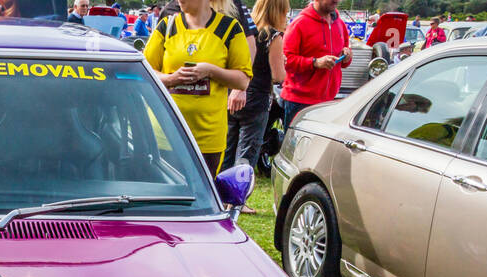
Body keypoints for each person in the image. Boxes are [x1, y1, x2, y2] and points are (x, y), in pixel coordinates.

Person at [145, 0, 251, 177]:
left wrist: (210, 71)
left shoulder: (229, 28)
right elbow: (146, 72)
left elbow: (242, 80)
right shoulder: (167, 26)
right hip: (165, 134)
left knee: (202, 198)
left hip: (208, 136)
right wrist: (171, 79)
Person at [223, 0, 286, 204]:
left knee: (227, 148)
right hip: (257, 98)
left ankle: (220, 195)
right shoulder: (273, 36)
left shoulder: (246, 32)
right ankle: (238, 200)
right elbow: (278, 76)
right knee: (247, 152)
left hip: (233, 93)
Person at [280, 0, 349, 128]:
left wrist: (347, 56)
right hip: (300, 102)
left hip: (329, 102)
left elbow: (344, 63)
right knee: (296, 147)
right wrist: (314, 62)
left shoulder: (340, 24)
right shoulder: (299, 23)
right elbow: (286, 60)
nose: (336, 1)